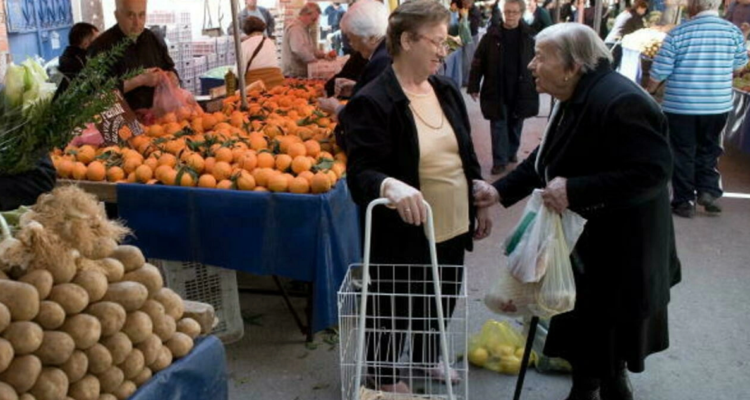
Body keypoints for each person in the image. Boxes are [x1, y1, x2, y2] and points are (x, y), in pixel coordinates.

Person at [474, 23, 681, 400]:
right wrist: (498, 191)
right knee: (587, 329)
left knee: (609, 332)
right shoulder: (576, 94)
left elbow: (653, 172)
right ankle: (587, 386)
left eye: (541, 57)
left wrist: (575, 189)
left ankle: (608, 386)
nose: (532, 65)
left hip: (623, 246)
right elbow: (547, 156)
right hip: (591, 240)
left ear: (572, 65)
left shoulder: (620, 101)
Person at [341, 0, 490, 393]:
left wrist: (478, 194)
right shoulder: (373, 101)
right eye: (437, 41)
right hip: (406, 228)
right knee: (393, 303)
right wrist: (389, 185)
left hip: (454, 220)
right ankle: (384, 376)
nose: (445, 51)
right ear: (407, 40)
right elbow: (360, 174)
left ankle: (426, 358)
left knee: (441, 294)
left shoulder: (444, 89)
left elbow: (465, 150)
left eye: (448, 41)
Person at [647, 0, 748, 218]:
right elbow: (739, 67)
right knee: (709, 148)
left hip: (680, 105)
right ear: (718, 6)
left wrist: (650, 90)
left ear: (694, 7)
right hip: (717, 105)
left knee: (683, 151)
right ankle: (708, 191)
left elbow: (660, 70)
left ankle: (684, 202)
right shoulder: (733, 32)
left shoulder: (678, 32)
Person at [468, 0, 539, 175]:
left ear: (521, 13)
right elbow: (478, 61)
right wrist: (474, 85)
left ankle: (511, 152)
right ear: (502, 12)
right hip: (497, 88)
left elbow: (538, 62)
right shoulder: (491, 36)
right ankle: (499, 161)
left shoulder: (529, 37)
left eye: (514, 12)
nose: (510, 16)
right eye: (507, 12)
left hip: (521, 88)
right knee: (498, 124)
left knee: (516, 124)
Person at [88, 0, 179, 111]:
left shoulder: (152, 38)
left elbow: (169, 67)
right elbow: (98, 94)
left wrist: (172, 76)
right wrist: (139, 80)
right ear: (117, 16)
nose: (137, 22)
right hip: (122, 123)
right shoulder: (100, 47)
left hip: (158, 119)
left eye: (141, 15)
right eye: (130, 15)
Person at [318, 0, 391, 118]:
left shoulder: (380, 62)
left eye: (352, 38)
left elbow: (369, 117)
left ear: (370, 38)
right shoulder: (386, 54)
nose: (351, 45)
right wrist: (357, 88)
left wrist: (337, 108)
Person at [281, 2, 331, 78]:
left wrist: (324, 55)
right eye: (313, 19)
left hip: (299, 73)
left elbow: (311, 49)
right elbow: (298, 49)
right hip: (294, 74)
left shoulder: (304, 29)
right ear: (305, 15)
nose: (314, 22)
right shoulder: (296, 29)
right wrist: (314, 61)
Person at [55, 22, 99, 97]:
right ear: (86, 43)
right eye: (97, 40)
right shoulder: (77, 65)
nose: (100, 43)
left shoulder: (69, 57)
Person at [240, 16, 283, 89]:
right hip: (276, 83)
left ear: (246, 30)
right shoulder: (270, 42)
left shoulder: (244, 45)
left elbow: (239, 71)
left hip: (256, 86)